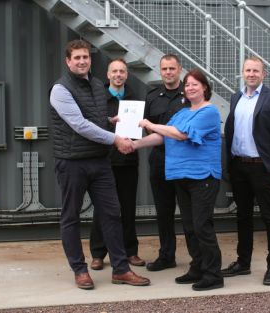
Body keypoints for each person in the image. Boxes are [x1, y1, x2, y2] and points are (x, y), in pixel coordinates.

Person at [49, 39, 150, 289]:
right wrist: (116, 138)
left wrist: (111, 120)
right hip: (72, 163)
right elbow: (79, 124)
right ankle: (79, 270)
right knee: (71, 217)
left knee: (112, 214)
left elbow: (93, 117)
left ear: (90, 60)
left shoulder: (95, 85)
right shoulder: (60, 89)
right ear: (68, 61)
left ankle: (121, 269)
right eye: (77, 58)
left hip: (99, 161)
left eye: (86, 57)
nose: (82, 61)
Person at [134, 68, 224, 291]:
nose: (190, 87)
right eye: (188, 84)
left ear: (204, 87)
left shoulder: (209, 111)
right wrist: (134, 144)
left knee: (202, 226)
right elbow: (162, 136)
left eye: (195, 84)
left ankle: (213, 274)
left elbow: (181, 134)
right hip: (181, 176)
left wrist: (150, 124)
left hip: (203, 176)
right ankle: (197, 267)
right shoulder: (182, 113)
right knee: (190, 226)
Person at [221, 56, 270, 286]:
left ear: (264, 74)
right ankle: (243, 263)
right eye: (248, 70)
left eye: (256, 70)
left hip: (262, 168)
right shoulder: (236, 98)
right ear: (242, 73)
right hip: (239, 166)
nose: (251, 74)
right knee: (243, 217)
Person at [89, 58, 145, 270]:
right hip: (104, 161)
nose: (118, 75)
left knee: (128, 208)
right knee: (102, 209)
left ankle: (131, 252)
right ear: (108, 75)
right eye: (115, 71)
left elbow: (140, 131)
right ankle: (98, 253)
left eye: (122, 71)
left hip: (128, 161)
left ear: (127, 75)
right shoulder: (98, 99)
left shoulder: (134, 101)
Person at [143, 54, 187, 271]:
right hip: (159, 159)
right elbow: (144, 128)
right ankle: (167, 256)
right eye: (164, 69)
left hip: (184, 160)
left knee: (188, 211)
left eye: (172, 68)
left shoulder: (189, 95)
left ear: (179, 69)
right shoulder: (152, 97)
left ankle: (197, 257)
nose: (168, 72)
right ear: (160, 71)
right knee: (164, 211)